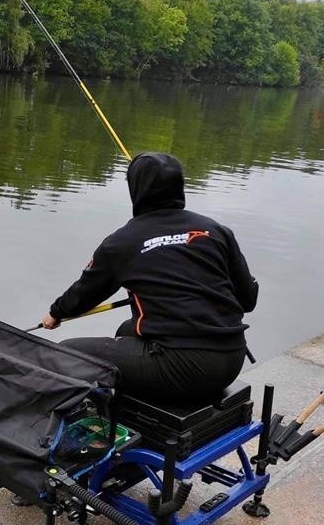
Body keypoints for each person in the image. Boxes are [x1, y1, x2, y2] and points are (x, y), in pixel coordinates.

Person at [42, 152, 258, 404]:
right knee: (127, 330)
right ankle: (130, 405)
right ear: (179, 187)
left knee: (66, 352)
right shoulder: (216, 231)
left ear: (136, 190)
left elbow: (84, 294)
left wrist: (56, 313)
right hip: (232, 358)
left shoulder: (122, 242)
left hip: (184, 366)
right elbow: (248, 300)